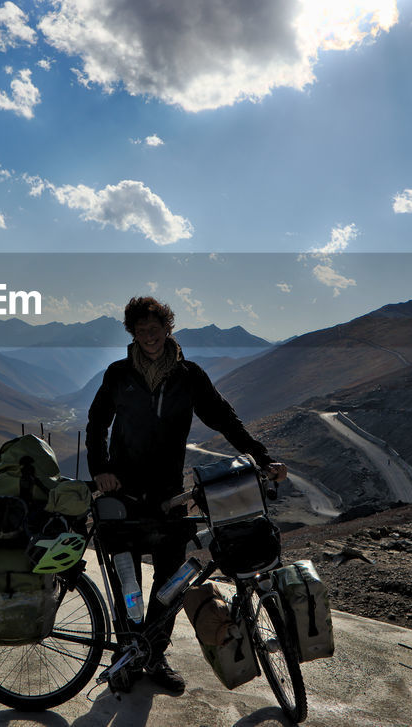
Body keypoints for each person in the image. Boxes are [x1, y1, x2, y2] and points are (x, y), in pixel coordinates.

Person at [86, 296, 289, 694]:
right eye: (141, 330)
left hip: (168, 494)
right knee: (128, 580)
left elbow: (224, 418)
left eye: (155, 328)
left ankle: (154, 654)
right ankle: (127, 653)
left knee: (170, 580)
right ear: (132, 333)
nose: (149, 337)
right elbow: (97, 425)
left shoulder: (188, 376)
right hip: (124, 493)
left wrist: (261, 458)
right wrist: (101, 471)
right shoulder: (118, 374)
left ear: (168, 328)